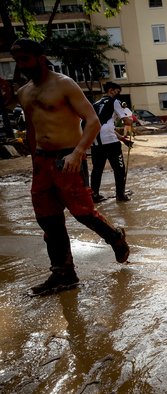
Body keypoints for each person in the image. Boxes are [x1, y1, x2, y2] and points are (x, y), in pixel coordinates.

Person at [11, 38, 130, 295]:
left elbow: (92, 122)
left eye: (25, 60)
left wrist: (78, 153)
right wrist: (34, 162)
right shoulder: (24, 92)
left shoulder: (64, 84)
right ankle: (63, 274)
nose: (21, 66)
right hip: (42, 161)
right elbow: (32, 130)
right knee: (48, 221)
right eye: (17, 61)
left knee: (83, 213)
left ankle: (116, 237)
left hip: (69, 157)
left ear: (40, 58)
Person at [89, 81, 134, 203]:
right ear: (111, 90)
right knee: (119, 168)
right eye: (117, 92)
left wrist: (123, 139)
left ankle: (94, 195)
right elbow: (126, 121)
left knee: (97, 170)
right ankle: (120, 195)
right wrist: (132, 119)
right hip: (111, 143)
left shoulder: (95, 105)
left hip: (95, 142)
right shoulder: (114, 102)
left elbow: (106, 127)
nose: (117, 95)